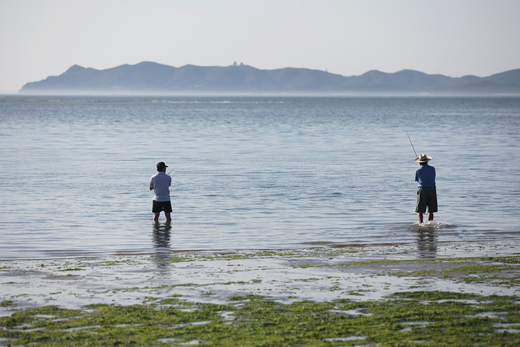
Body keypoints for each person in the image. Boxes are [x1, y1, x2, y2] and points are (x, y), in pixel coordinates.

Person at [414, 154, 437, 224]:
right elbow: (433, 177)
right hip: (432, 189)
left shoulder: (418, 170)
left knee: (419, 210)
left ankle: (421, 224)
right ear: (427, 161)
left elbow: (417, 180)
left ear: (419, 162)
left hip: (422, 189)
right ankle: (430, 224)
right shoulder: (433, 168)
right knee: (431, 210)